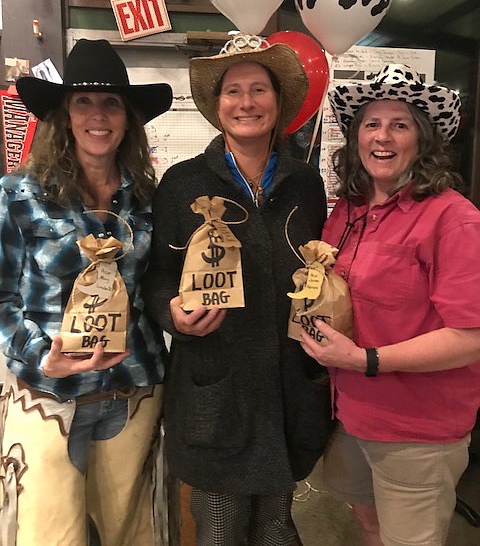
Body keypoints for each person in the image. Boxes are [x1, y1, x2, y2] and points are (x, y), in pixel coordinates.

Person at [142, 33, 330, 546]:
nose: (246, 103)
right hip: (216, 385)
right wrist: (172, 311)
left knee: (275, 526)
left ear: (279, 102)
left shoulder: (305, 184)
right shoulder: (181, 184)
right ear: (217, 104)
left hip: (288, 386)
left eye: (259, 89)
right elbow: (157, 273)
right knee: (219, 530)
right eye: (233, 91)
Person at [0, 39, 173, 546]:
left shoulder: (149, 200)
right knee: (50, 534)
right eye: (83, 101)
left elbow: (157, 283)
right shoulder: (18, 196)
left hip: (133, 391)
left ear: (127, 119)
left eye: (111, 102)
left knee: (131, 531)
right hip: (48, 397)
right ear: (64, 116)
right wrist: (39, 356)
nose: (98, 115)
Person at [299, 64, 480, 546]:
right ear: (356, 137)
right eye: (372, 124)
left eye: (400, 125)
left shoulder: (453, 219)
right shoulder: (349, 209)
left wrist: (365, 359)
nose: (383, 136)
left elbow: (471, 338)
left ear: (422, 140)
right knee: (369, 524)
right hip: (350, 412)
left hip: (416, 427)